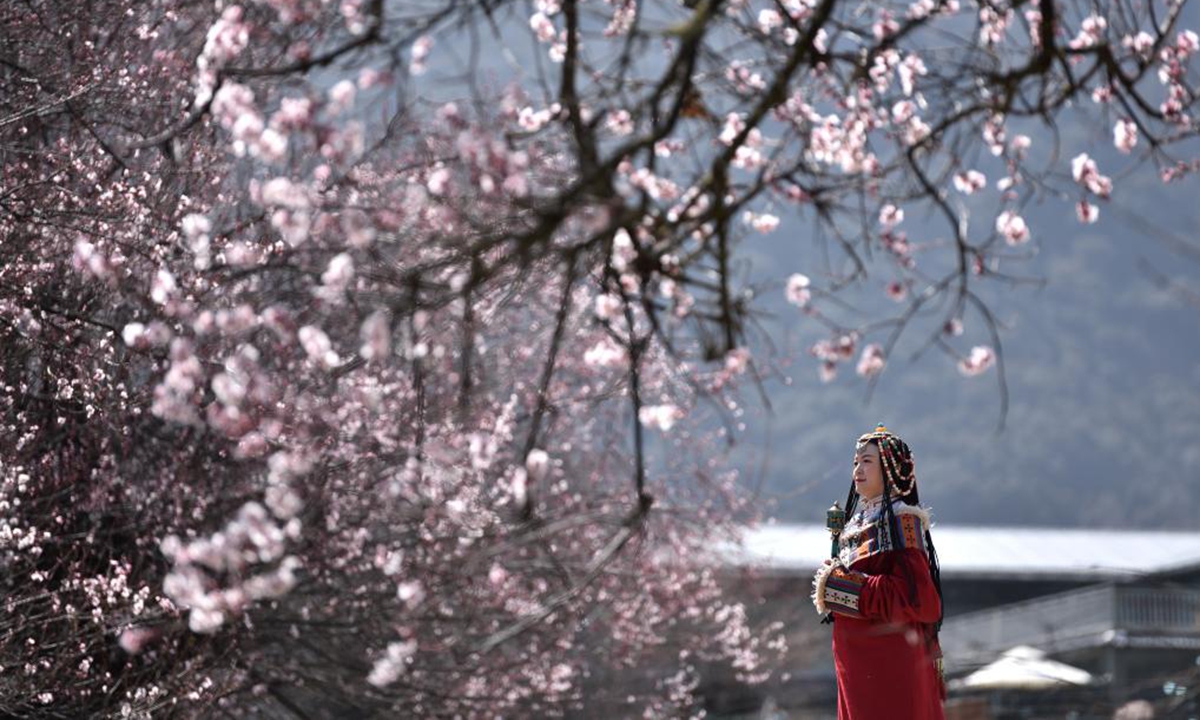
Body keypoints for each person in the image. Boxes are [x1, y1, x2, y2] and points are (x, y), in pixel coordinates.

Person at [811, 424, 945, 720]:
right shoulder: (859, 523)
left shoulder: (901, 523)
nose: (857, 468)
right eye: (855, 462)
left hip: (889, 664)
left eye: (867, 461)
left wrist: (845, 586)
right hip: (859, 664)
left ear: (890, 468)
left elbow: (920, 599)